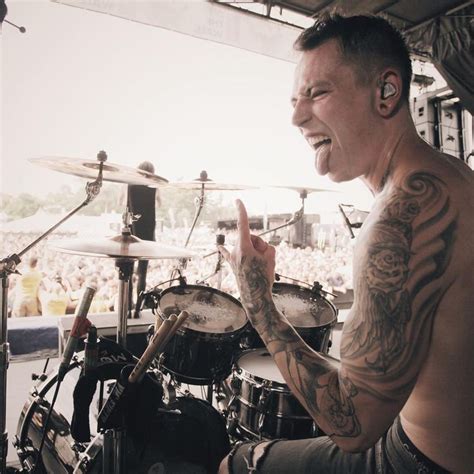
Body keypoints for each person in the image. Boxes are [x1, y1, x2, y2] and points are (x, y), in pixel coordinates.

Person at [217, 14, 474, 474]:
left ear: (386, 92)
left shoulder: (399, 219)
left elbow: (352, 425)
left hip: (420, 462)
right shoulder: (453, 176)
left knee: (237, 463)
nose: (296, 117)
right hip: (425, 438)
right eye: (296, 99)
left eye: (317, 93)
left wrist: (258, 302)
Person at [126, 161, 161, 317]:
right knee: (142, 274)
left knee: (127, 273)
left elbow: (127, 209)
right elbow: (158, 207)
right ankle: (137, 310)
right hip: (147, 235)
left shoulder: (131, 185)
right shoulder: (153, 187)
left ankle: (127, 309)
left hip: (131, 232)